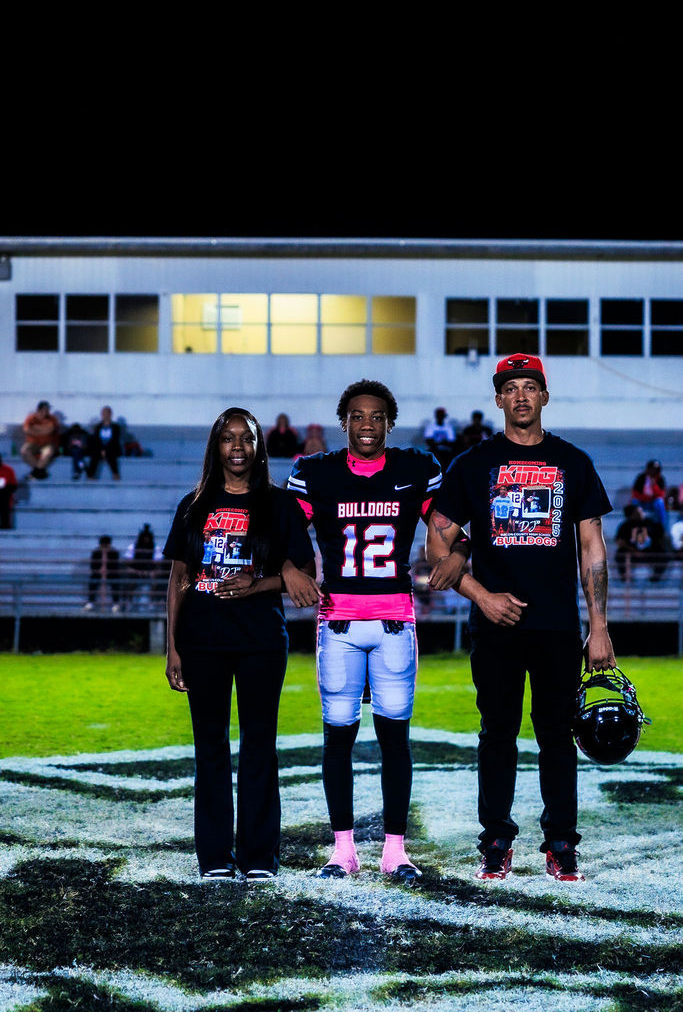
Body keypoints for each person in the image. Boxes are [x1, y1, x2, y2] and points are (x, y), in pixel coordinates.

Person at [427, 352, 615, 885]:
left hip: (557, 625)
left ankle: (560, 843)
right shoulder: (472, 464)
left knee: (558, 736)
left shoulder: (573, 462)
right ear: (498, 399)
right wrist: (481, 595)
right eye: (511, 388)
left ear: (544, 396)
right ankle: (496, 841)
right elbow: (435, 546)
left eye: (530, 386)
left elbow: (592, 549)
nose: (521, 396)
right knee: (498, 734)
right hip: (496, 626)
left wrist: (598, 626)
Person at [285, 379, 468, 883]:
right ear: (344, 422)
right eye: (358, 416)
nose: (367, 424)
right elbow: (281, 531)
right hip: (338, 620)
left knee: (395, 739)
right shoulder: (313, 472)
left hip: (393, 620)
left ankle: (394, 851)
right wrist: (290, 568)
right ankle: (342, 850)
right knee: (337, 738)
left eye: (377, 416)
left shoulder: (417, 469)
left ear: (390, 422)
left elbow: (450, 527)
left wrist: (461, 554)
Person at [164, 407, 315, 882]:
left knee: (258, 746)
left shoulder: (279, 505)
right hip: (202, 639)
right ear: (216, 446)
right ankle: (213, 856)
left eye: (245, 438)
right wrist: (172, 647)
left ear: (258, 447)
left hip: (260, 641)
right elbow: (179, 579)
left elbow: (305, 580)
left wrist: (259, 583)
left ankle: (257, 856)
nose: (236, 446)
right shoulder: (193, 506)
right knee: (210, 749)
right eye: (227, 438)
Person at [614, 504, 667, 583]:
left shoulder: (651, 523)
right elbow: (620, 542)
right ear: (631, 515)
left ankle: (655, 579)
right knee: (619, 554)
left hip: (650, 553)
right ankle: (625, 579)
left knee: (664, 553)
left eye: (641, 511)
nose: (641, 513)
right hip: (632, 553)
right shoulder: (625, 526)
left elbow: (661, 537)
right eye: (637, 512)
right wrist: (634, 551)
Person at [20, 400, 60, 480]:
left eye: (48, 409)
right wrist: (43, 430)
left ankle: (35, 473)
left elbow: (50, 429)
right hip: (33, 443)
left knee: (48, 453)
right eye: (45, 409)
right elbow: (27, 430)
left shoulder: (52, 419)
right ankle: (41, 472)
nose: (47, 411)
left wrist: (35, 429)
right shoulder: (31, 418)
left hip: (47, 443)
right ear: (39, 409)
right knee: (24, 451)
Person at [84, 535, 121, 611]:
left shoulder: (114, 552)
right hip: (98, 573)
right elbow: (93, 565)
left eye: (106, 545)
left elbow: (116, 565)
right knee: (92, 581)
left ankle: (116, 603)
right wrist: (98, 571)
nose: (104, 547)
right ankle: (91, 602)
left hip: (111, 573)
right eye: (102, 545)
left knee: (116, 582)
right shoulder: (96, 552)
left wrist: (108, 571)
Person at [87, 406, 122, 480]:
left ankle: (115, 474)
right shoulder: (98, 427)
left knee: (111, 455)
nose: (104, 415)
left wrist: (105, 449)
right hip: (100, 449)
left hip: (111, 448)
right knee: (94, 456)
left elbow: (114, 440)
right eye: (103, 413)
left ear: (110, 414)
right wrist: (102, 449)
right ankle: (91, 476)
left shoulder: (115, 427)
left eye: (106, 413)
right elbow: (96, 440)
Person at [631, 460, 667, 527]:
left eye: (656, 470)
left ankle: (661, 527)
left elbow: (661, 494)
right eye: (652, 469)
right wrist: (646, 498)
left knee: (660, 502)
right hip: (642, 502)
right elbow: (635, 493)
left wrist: (654, 485)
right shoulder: (641, 478)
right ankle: (633, 525)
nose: (653, 471)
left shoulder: (660, 479)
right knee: (634, 501)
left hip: (653, 503)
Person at [0, 454, 18, 529]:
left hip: (5, 493)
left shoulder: (8, 470)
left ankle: (5, 525)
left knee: (4, 499)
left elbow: (14, 485)